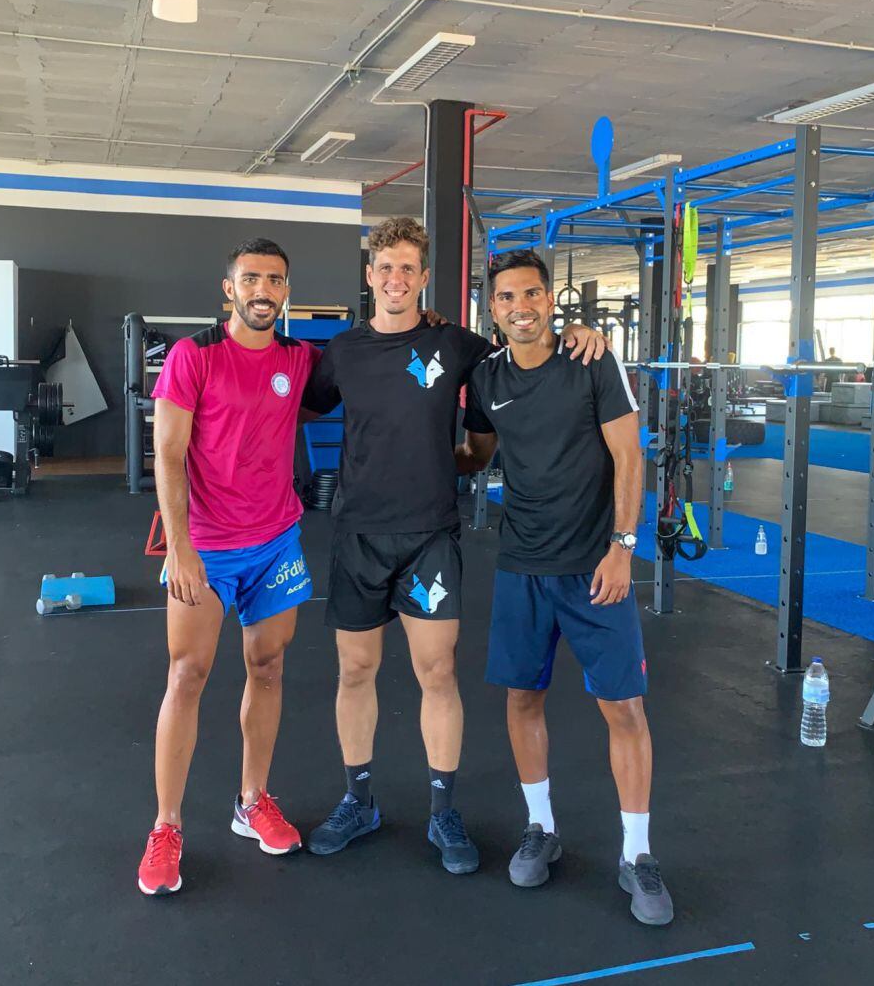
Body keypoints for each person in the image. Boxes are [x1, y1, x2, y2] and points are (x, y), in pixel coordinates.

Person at [300, 217, 605, 875]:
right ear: (369, 275)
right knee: (355, 671)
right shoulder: (343, 351)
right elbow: (302, 405)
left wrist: (580, 332)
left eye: (408, 267)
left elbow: (524, 349)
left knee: (438, 674)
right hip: (357, 534)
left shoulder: (456, 343)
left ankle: (442, 809)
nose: (395, 279)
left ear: (422, 276)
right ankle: (359, 799)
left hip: (429, 535)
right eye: (385, 268)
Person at [456, 248, 674, 925]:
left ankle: (637, 853)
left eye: (531, 294)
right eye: (506, 298)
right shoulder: (487, 378)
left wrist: (624, 546)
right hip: (523, 565)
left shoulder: (591, 362)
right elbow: (477, 454)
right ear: (491, 309)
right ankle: (541, 826)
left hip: (594, 566)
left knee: (625, 709)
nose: (520, 307)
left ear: (552, 300)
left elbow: (628, 455)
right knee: (523, 699)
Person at [137, 238, 318, 895]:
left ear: (286, 290)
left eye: (275, 278)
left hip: (275, 540)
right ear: (229, 289)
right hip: (207, 546)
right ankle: (166, 826)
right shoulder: (194, 356)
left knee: (267, 667)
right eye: (251, 278)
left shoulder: (299, 359)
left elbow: (375, 363)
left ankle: (252, 800)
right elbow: (167, 453)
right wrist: (180, 546)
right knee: (187, 675)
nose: (263, 289)